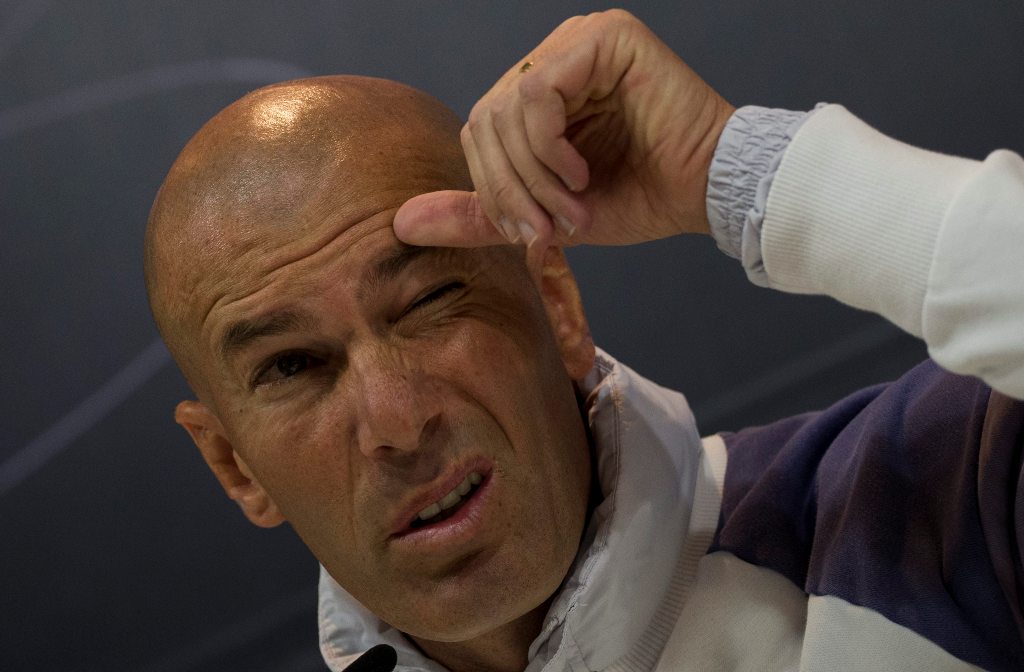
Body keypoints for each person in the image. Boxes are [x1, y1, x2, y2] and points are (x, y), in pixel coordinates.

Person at [145, 10, 1024, 672]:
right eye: (293, 366)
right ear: (234, 466)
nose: (397, 423)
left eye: (427, 300)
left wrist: (741, 172)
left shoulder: (931, 502)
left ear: (556, 303)